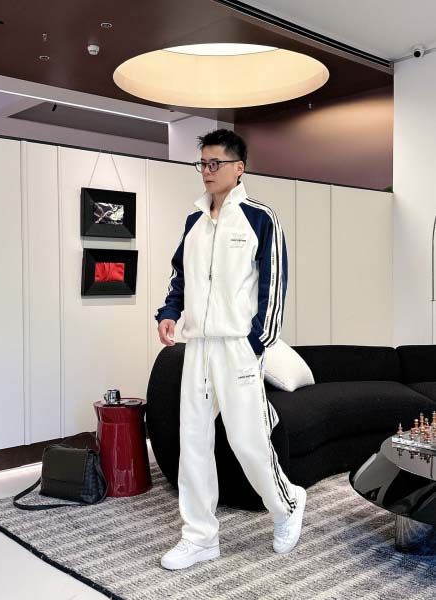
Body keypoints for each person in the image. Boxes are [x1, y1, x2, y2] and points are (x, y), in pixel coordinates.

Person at [154, 128, 306, 571]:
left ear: (239, 168)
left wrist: (257, 342)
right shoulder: (194, 221)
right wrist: (170, 312)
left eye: (215, 163)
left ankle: (287, 504)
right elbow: (180, 275)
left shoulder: (260, 218)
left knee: (247, 440)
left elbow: (274, 288)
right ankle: (199, 536)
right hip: (197, 347)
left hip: (238, 346)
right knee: (193, 443)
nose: (207, 170)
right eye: (202, 163)